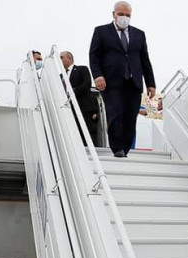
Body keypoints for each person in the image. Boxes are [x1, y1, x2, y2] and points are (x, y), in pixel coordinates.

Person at [89, 1, 155, 157]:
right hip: (111, 82)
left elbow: (145, 60)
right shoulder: (101, 31)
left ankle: (125, 148)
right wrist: (98, 75)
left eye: (127, 15)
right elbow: (94, 56)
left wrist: (150, 83)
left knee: (130, 116)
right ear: (114, 14)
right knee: (115, 113)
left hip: (134, 82)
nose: (124, 17)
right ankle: (117, 147)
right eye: (121, 14)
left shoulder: (139, 34)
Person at [60, 51, 100, 145]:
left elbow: (86, 84)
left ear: (69, 58)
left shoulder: (82, 69)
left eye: (61, 57)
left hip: (84, 108)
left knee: (86, 133)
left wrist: (71, 92)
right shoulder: (61, 76)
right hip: (69, 110)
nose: (59, 59)